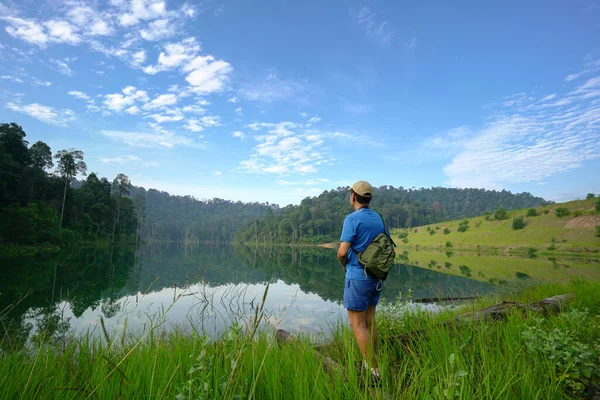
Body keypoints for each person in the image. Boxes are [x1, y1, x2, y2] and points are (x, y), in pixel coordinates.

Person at [337, 180, 386, 384]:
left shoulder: (352, 219)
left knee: (357, 324)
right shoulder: (378, 218)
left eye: (350, 194)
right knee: (369, 321)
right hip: (376, 277)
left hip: (358, 277)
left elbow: (342, 251)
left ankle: (374, 370)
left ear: (353, 197)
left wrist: (344, 264)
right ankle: (369, 360)